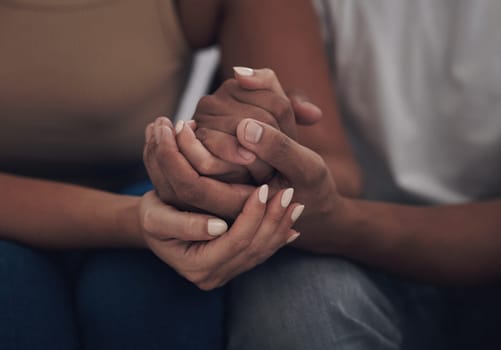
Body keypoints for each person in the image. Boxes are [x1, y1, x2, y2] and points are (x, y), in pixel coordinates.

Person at [145, 1, 501, 349]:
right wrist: (253, 155)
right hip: (343, 248)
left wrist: (336, 221)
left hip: (358, 230)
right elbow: (327, 168)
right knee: (301, 309)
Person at [0, 0, 340, 349]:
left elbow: (334, 169)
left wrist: (247, 157)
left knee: (137, 284)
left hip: (140, 195)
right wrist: (138, 221)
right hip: (116, 208)